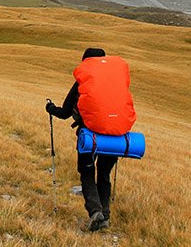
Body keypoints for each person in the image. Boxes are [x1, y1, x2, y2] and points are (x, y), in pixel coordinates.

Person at [45, 47, 137, 232]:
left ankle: (96, 212)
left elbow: (64, 113)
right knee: (104, 174)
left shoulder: (83, 81)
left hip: (90, 136)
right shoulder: (116, 80)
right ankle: (105, 214)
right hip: (115, 136)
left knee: (87, 173)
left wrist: (50, 108)